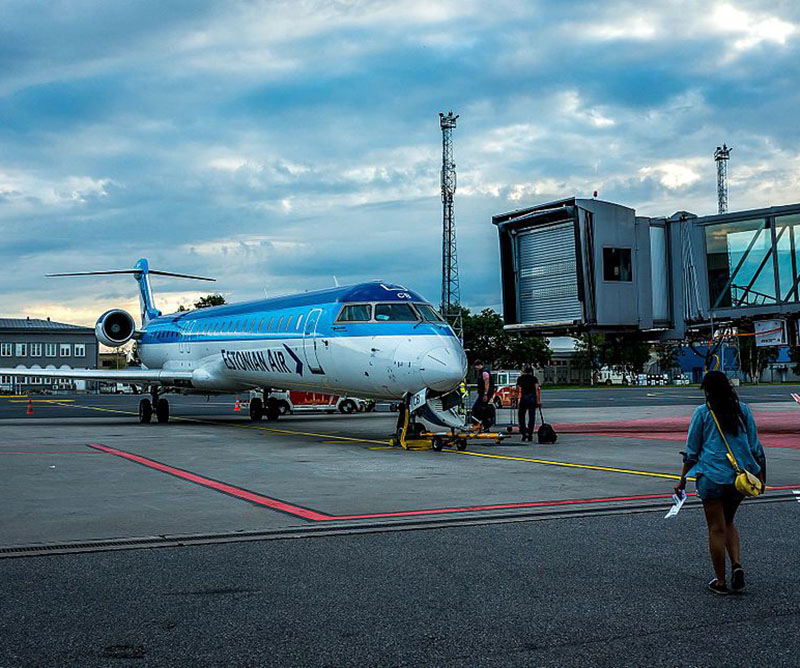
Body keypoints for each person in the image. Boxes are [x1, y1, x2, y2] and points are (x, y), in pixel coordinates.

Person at [674, 371, 766, 595]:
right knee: (730, 522)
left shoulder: (703, 413)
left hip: (712, 476)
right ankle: (736, 564)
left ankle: (721, 582)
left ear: (707, 390)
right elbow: (756, 447)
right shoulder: (743, 410)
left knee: (716, 529)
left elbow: (692, 452)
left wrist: (682, 480)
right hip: (740, 478)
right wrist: (761, 475)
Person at [516, 366, 540, 442]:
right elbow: (536, 389)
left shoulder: (520, 378)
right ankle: (530, 433)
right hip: (532, 398)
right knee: (532, 417)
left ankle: (523, 432)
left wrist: (517, 399)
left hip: (524, 398)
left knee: (521, 416)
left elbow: (518, 390)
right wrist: (538, 400)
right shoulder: (534, 378)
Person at [471, 359, 495, 430]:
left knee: (477, 408)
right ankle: (485, 425)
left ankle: (483, 424)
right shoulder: (482, 372)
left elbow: (486, 384)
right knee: (482, 409)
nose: (476, 369)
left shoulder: (484, 373)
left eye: (476, 367)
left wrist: (485, 394)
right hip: (483, 394)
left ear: (479, 365)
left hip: (485, 394)